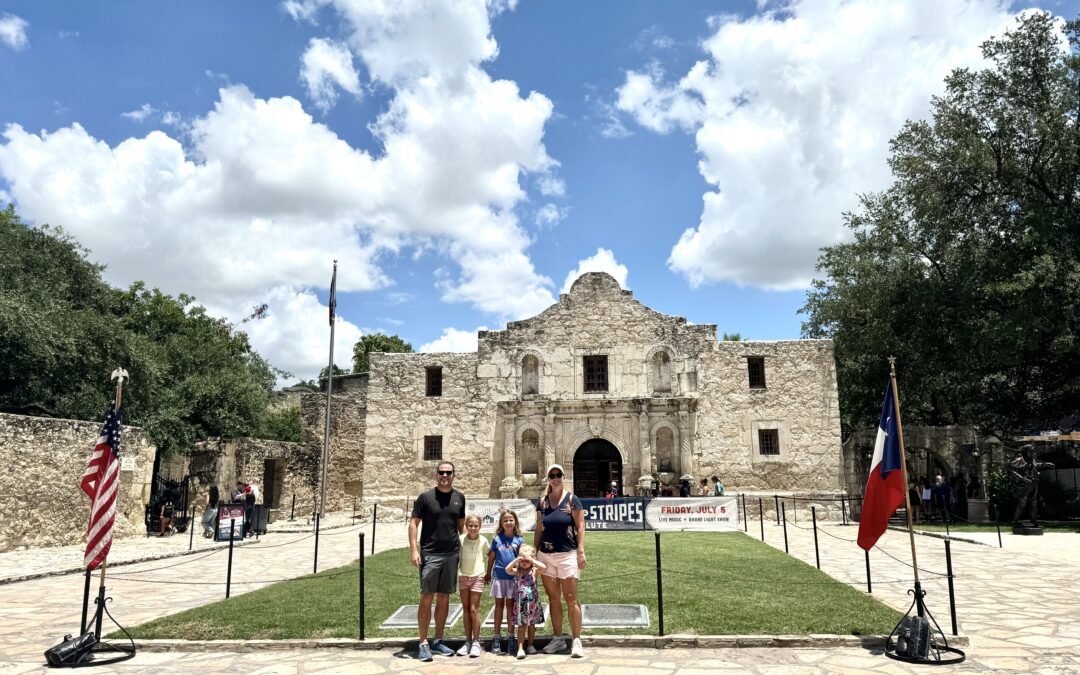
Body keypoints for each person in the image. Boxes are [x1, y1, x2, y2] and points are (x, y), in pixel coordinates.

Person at [408, 461, 466, 662]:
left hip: (451, 554)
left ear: (453, 475)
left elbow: (461, 528)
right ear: (436, 475)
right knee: (426, 597)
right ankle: (423, 642)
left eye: (448, 472)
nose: (445, 475)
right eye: (441, 472)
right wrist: (414, 549)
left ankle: (438, 640)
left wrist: (469, 551)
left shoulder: (459, 498)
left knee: (444, 598)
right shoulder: (425, 498)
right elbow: (414, 523)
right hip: (430, 554)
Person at [534, 463, 586, 658]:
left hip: (567, 554)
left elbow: (580, 526)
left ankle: (576, 639)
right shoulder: (542, 502)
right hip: (546, 555)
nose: (555, 478)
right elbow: (539, 528)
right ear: (548, 478)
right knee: (553, 599)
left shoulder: (572, 500)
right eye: (552, 475)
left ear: (564, 477)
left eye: (558, 475)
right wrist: (534, 553)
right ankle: (557, 638)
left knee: (571, 598)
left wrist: (581, 551)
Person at [485, 510, 523, 656]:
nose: (508, 522)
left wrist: (521, 574)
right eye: (505, 520)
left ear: (515, 522)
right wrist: (488, 573)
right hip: (499, 576)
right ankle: (496, 636)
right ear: (501, 523)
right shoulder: (496, 539)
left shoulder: (519, 540)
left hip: (513, 578)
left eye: (511, 520)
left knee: (511, 606)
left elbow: (522, 559)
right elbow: (491, 558)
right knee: (499, 605)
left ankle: (511, 636)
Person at [506, 545, 547, 659]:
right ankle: (520, 648)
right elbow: (507, 570)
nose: (524, 563)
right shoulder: (517, 571)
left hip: (532, 602)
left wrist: (532, 560)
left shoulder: (534, 571)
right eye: (522, 560)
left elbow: (544, 567)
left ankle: (530, 645)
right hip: (521, 603)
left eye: (526, 561)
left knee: (532, 625)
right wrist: (516, 560)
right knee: (521, 625)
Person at [456, 514, 487, 658]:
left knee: (474, 609)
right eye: (470, 525)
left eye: (476, 526)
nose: (473, 528)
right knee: (466, 609)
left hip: (477, 577)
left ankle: (476, 642)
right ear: (466, 526)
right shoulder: (461, 540)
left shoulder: (483, 540)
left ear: (480, 526)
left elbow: (490, 553)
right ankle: (467, 641)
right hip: (463, 576)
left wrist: (489, 572)